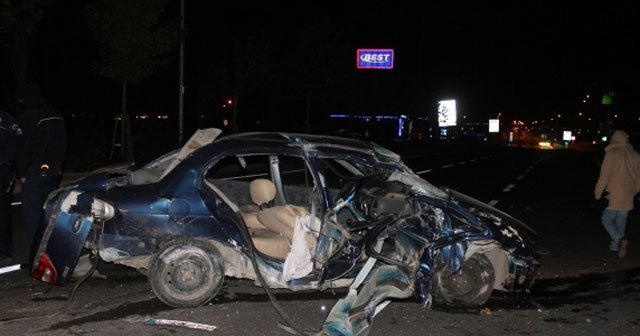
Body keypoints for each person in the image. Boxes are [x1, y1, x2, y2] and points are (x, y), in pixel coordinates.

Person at [16, 84, 67, 263]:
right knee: (50, 213)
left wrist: (22, 172)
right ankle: (53, 254)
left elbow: (24, 146)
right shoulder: (56, 114)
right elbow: (62, 144)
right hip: (53, 171)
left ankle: (37, 258)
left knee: (33, 217)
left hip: (35, 172)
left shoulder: (29, 116)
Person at [594, 129, 640, 258]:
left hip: (614, 193)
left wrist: (598, 193)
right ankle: (616, 247)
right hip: (628, 195)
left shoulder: (612, 153)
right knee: (621, 220)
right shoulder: (635, 155)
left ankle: (619, 240)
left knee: (606, 219)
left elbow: (604, 176)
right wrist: (634, 191)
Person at [0, 108, 22, 264]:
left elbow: (17, 143)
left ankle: (4, 249)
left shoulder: (6, 119)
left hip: (2, 171)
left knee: (3, 212)